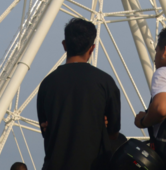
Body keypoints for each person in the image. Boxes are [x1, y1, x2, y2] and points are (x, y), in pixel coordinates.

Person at [36, 18, 122, 170]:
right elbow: (114, 134)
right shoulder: (105, 82)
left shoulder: (47, 84)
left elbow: (46, 129)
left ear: (64, 45)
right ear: (92, 48)